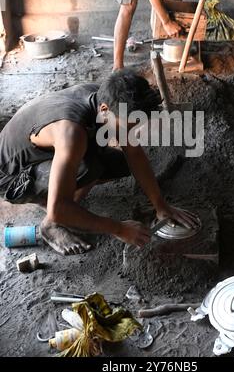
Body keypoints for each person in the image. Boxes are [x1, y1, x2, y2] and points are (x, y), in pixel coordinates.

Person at [0, 69, 199, 255]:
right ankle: (51, 225)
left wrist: (160, 205)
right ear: (104, 110)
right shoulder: (71, 133)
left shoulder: (107, 96)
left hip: (44, 150)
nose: (129, 131)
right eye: (127, 125)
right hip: (11, 176)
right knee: (88, 168)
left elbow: (134, 153)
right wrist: (119, 228)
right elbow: (59, 208)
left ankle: (63, 196)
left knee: (119, 163)